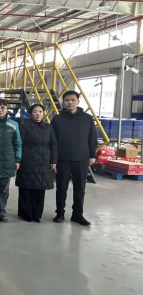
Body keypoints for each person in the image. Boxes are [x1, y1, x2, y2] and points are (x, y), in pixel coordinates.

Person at [51, 91, 97, 226]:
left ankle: (77, 214)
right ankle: (60, 213)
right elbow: (53, 141)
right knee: (61, 188)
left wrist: (92, 155)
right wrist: (54, 158)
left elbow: (92, 138)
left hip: (82, 159)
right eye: (67, 100)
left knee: (80, 188)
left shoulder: (87, 119)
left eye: (73, 100)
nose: (70, 102)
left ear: (78, 101)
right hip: (63, 159)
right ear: (63, 102)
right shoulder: (57, 120)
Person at [16, 104, 58, 223]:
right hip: (27, 159)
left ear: (43, 113)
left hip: (44, 161)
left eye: (40, 111)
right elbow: (19, 144)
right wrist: (18, 160)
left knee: (40, 188)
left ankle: (37, 214)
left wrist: (54, 160)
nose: (38, 114)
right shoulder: (24, 127)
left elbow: (53, 144)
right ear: (30, 114)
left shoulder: (48, 127)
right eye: (35, 111)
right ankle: (26, 214)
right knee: (26, 187)